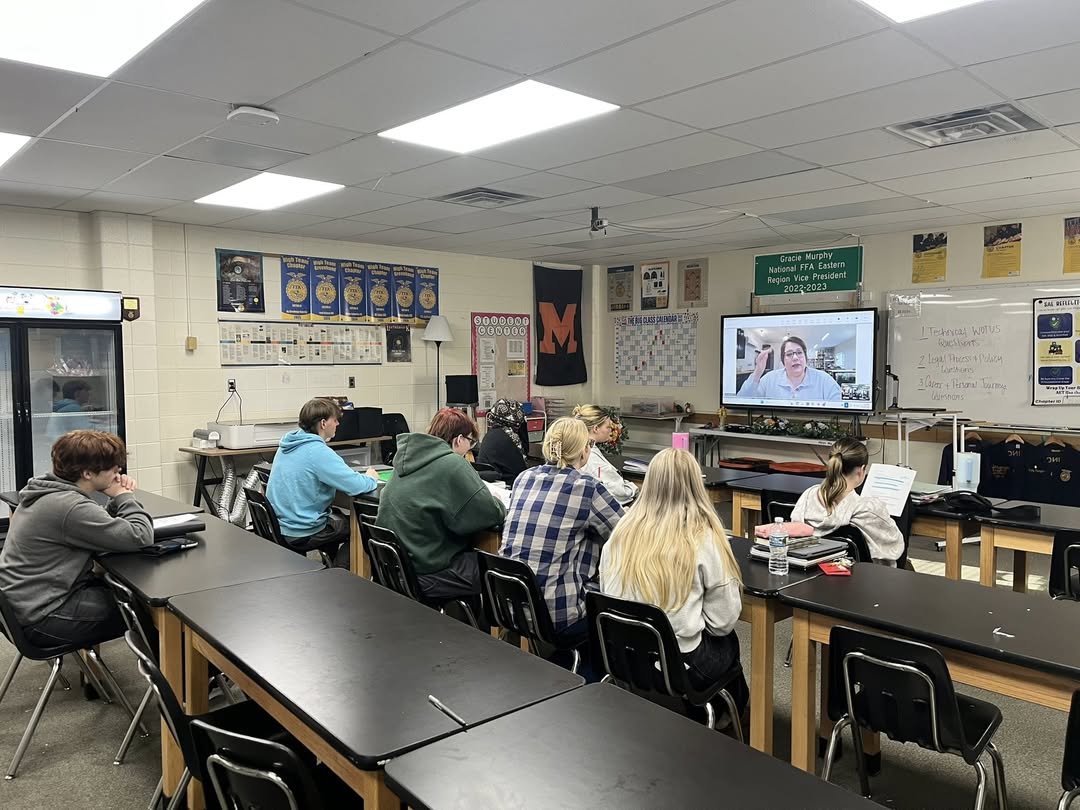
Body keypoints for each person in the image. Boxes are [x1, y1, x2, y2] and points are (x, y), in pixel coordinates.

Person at [599, 447, 748, 718]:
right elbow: (722, 622)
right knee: (729, 642)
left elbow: (606, 590)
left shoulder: (621, 531)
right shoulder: (704, 538)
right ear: (696, 485)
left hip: (622, 658)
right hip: (678, 667)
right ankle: (729, 718)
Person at [0, 430, 153, 649]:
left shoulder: (47, 492)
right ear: (88, 473)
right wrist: (124, 496)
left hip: (23, 607)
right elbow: (140, 535)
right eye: (112, 467)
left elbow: (94, 525)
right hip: (45, 617)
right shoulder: (69, 506)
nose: (118, 471)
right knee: (149, 609)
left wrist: (114, 499)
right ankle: (171, 670)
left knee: (121, 590)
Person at [501, 417, 624, 658]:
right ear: (584, 450)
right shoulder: (587, 487)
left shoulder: (523, 478)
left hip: (509, 607)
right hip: (557, 616)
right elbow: (627, 534)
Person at [377, 408, 506, 603]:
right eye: (471, 442)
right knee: (496, 570)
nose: (470, 449)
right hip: (427, 571)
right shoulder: (453, 463)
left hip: (395, 568)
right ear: (458, 440)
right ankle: (477, 623)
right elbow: (491, 513)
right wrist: (499, 503)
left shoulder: (405, 459)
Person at [266, 398, 379, 566]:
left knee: (336, 517)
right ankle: (339, 574)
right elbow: (357, 486)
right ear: (323, 423)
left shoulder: (287, 444)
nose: (338, 424)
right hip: (302, 530)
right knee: (362, 529)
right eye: (335, 420)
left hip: (280, 526)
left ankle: (329, 566)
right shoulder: (318, 451)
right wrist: (371, 478)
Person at [790, 437, 904, 565]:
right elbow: (894, 547)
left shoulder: (808, 496)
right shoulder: (868, 509)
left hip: (811, 571)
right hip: (861, 575)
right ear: (861, 470)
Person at [737, 336, 842, 402]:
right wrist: (758, 372)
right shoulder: (769, 379)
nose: (795, 357)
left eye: (799, 352)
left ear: (805, 357)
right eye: (789, 354)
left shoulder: (824, 380)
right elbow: (741, 400)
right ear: (783, 360)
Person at [572, 404, 637, 504]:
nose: (611, 430)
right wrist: (633, 488)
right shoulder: (590, 456)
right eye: (608, 427)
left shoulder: (577, 447)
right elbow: (620, 492)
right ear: (596, 429)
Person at [476, 398, 528, 486]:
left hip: (488, 483)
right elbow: (522, 472)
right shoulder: (511, 437)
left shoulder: (491, 434)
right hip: (506, 485)